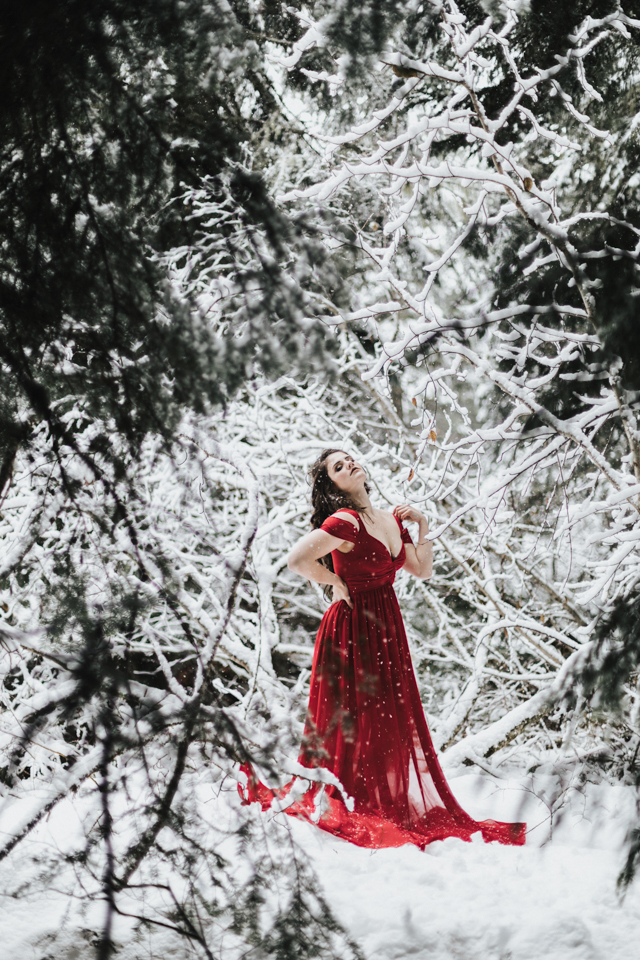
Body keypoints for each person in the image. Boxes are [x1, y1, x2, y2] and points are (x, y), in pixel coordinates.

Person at [240, 449, 526, 849]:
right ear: (333, 486)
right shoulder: (345, 521)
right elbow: (296, 559)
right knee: (359, 716)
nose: (349, 465)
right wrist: (335, 584)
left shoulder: (389, 520)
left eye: (349, 459)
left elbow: (421, 569)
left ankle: (376, 795)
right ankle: (351, 794)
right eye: (338, 467)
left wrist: (422, 527)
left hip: (386, 624)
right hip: (353, 625)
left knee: (386, 712)